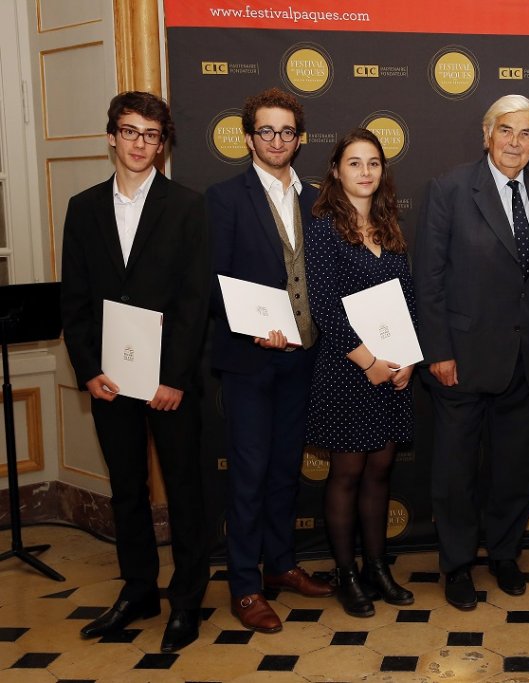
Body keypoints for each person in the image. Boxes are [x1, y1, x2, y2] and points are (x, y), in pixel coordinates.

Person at [61, 91, 210, 652]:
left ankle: (187, 599)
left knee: (185, 491)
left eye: (151, 135)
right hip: (111, 382)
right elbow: (74, 300)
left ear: (162, 143)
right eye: (130, 131)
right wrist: (88, 370)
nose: (140, 143)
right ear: (111, 136)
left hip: (171, 382)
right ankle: (139, 589)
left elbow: (196, 301)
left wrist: (172, 377)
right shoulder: (84, 207)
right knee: (126, 490)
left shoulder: (188, 206)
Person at [413, 94, 529, 610]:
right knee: (456, 473)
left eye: (525, 133)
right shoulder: (450, 189)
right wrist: (437, 350)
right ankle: (456, 564)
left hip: (528, 358)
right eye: (505, 131)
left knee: (513, 468)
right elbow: (428, 279)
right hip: (461, 357)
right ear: (486, 134)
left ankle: (504, 554)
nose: (514, 143)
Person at [207, 87, 333, 634]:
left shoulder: (317, 199)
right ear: (248, 136)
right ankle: (245, 585)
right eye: (266, 131)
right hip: (248, 360)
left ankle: (280, 565)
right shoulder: (225, 198)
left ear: (299, 139)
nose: (277, 140)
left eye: (286, 131)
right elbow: (212, 280)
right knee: (251, 473)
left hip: (303, 358)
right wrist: (253, 327)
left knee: (285, 470)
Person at [305, 129, 416, 618]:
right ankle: (346, 572)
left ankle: (377, 567)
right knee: (347, 473)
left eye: (373, 163)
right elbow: (325, 307)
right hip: (348, 369)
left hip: (392, 370)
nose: (366, 172)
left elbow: (407, 298)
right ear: (336, 170)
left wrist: (408, 358)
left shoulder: (390, 226)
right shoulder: (324, 227)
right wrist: (368, 361)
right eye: (355, 163)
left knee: (380, 470)